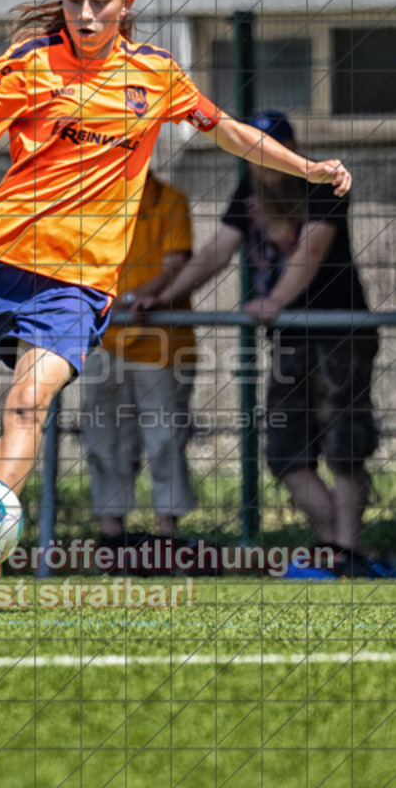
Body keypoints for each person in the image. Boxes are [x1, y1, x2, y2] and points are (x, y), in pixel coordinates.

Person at [0, 0, 352, 608]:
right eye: (74, 2)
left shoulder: (154, 74)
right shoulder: (27, 64)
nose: (85, 14)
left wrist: (307, 169)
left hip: (77, 283)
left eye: (99, 3)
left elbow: (230, 132)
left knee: (25, 404)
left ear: (126, 5)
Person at [139, 110, 380, 576]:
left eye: (270, 151)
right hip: (289, 338)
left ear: (291, 149)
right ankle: (338, 551)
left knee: (344, 447)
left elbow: (311, 249)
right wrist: (163, 295)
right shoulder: (248, 193)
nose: (262, 163)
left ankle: (346, 552)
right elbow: (215, 252)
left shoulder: (324, 183)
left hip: (340, 332)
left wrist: (273, 300)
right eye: (252, 152)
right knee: (286, 453)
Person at [82, 171, 197, 570]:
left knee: (165, 439)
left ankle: (168, 538)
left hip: (162, 342)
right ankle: (113, 538)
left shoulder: (170, 200)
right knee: (104, 438)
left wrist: (142, 296)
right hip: (104, 343)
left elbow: (176, 263)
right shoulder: (92, 201)